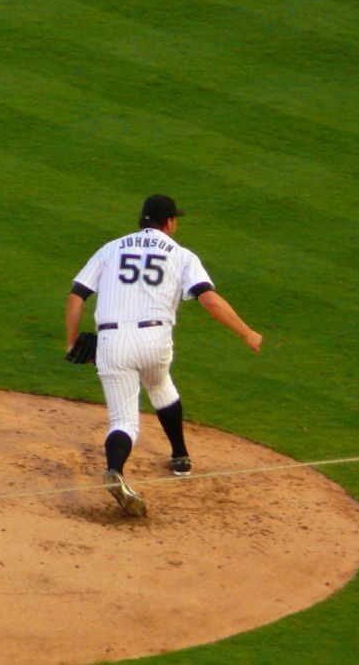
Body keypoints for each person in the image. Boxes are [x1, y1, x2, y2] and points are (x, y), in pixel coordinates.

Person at [65, 194, 263, 517]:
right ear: (169, 222)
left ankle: (115, 470)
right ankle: (180, 456)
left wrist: (72, 343)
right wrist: (246, 332)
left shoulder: (110, 248)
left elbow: (77, 296)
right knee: (159, 385)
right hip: (155, 340)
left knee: (124, 422)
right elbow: (210, 301)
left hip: (111, 341)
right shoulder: (182, 255)